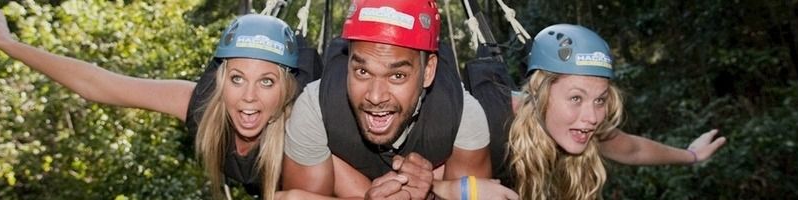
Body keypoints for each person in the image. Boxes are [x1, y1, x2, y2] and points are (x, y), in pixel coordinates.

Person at [0, 6, 304, 199]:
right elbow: (97, 83)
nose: (248, 96)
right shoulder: (200, 105)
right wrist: (9, 45)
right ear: (221, 81)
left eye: (266, 81)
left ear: (285, 90)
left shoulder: (302, 130)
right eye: (237, 78)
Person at [278, 0, 509, 199]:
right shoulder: (315, 107)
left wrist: (431, 191)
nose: (375, 97)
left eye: (397, 76)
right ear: (348, 63)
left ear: (428, 72)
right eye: (362, 72)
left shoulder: (463, 117)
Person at [502, 24, 726, 199]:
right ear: (539, 91)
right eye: (576, 98)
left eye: (600, 100)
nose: (592, 118)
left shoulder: (575, 128)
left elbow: (633, 149)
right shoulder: (491, 117)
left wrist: (692, 156)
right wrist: (466, 190)